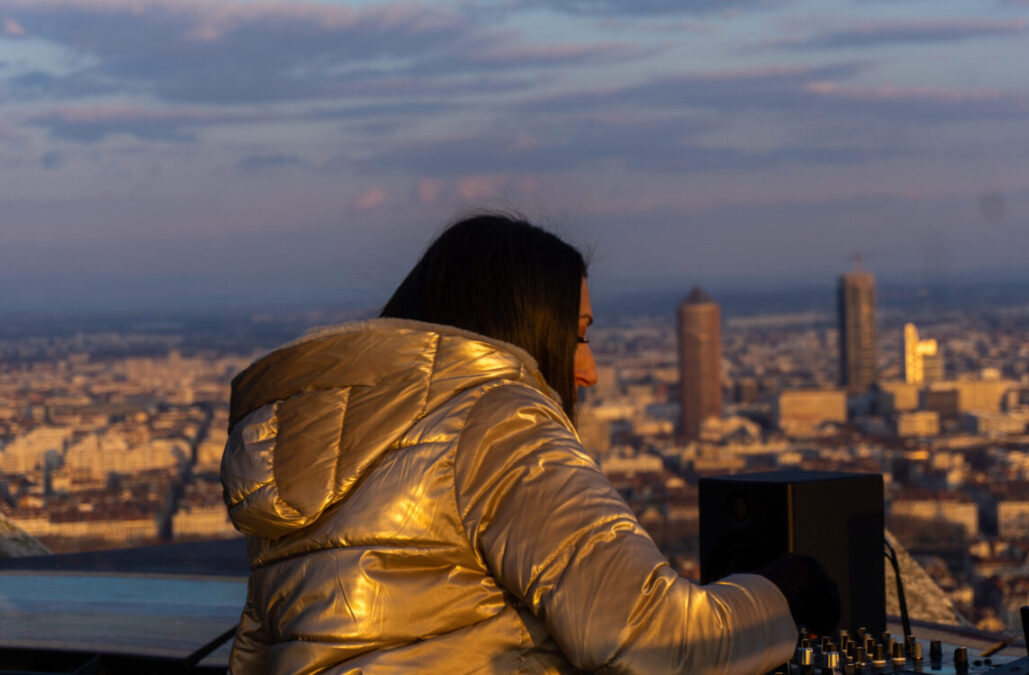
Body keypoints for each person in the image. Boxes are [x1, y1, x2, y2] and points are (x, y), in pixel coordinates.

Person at [221, 213, 837, 674]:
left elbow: (255, 651)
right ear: (521, 330)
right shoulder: (496, 417)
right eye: (578, 338)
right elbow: (652, 637)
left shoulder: (314, 447)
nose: (588, 370)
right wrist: (784, 590)